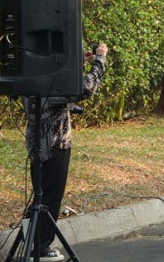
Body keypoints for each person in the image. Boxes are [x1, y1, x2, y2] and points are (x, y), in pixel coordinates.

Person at [24, 42, 108, 262]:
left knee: (40, 194)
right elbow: (85, 87)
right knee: (51, 196)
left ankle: (32, 241)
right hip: (55, 144)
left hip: (35, 144)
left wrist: (76, 64)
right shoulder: (55, 84)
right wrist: (100, 60)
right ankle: (41, 247)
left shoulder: (31, 76)